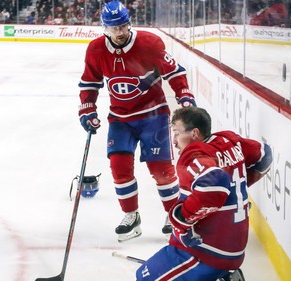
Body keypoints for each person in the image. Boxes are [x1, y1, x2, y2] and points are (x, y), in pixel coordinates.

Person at [78, 0, 196, 242]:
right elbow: (90, 83)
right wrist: (87, 109)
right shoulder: (95, 50)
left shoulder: (149, 43)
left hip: (154, 115)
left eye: (123, 26)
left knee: (161, 171)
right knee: (119, 168)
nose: (120, 33)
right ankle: (132, 216)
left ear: (129, 23)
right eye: (114, 28)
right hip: (120, 118)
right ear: (104, 28)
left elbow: (174, 71)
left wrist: (184, 94)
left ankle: (173, 216)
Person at [136, 107, 272, 281]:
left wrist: (181, 219)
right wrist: (241, 186)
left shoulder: (193, 155)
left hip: (204, 252)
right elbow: (265, 154)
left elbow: (216, 182)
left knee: (143, 277)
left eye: (177, 133)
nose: (175, 141)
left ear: (194, 133)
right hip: (232, 248)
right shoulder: (228, 140)